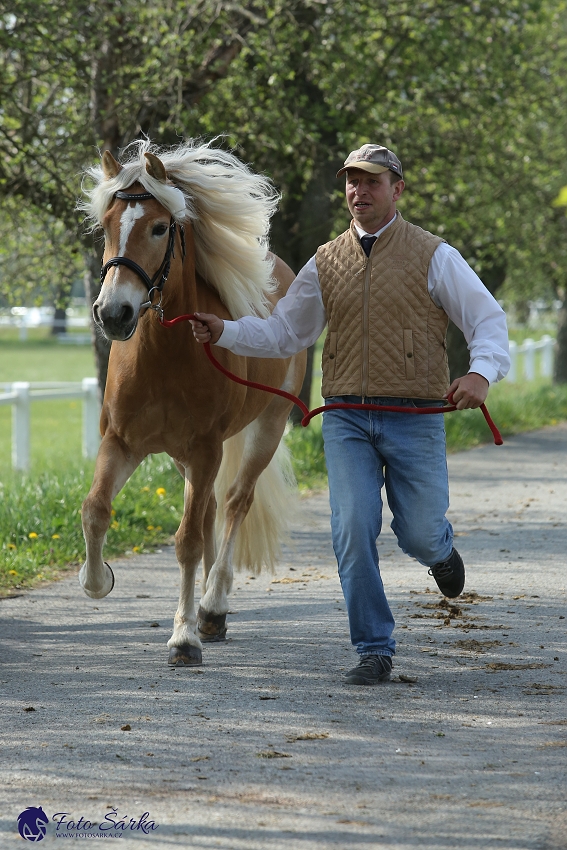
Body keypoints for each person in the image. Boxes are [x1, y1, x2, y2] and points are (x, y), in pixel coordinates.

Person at [190, 144, 510, 686]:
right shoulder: (326, 260)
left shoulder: (436, 256)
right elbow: (286, 333)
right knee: (352, 529)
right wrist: (227, 331)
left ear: (397, 190)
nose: (358, 191)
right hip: (345, 419)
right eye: (351, 182)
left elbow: (488, 322)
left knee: (419, 534)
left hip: (415, 417)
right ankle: (374, 648)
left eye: (372, 182)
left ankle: (440, 551)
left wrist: (480, 374)